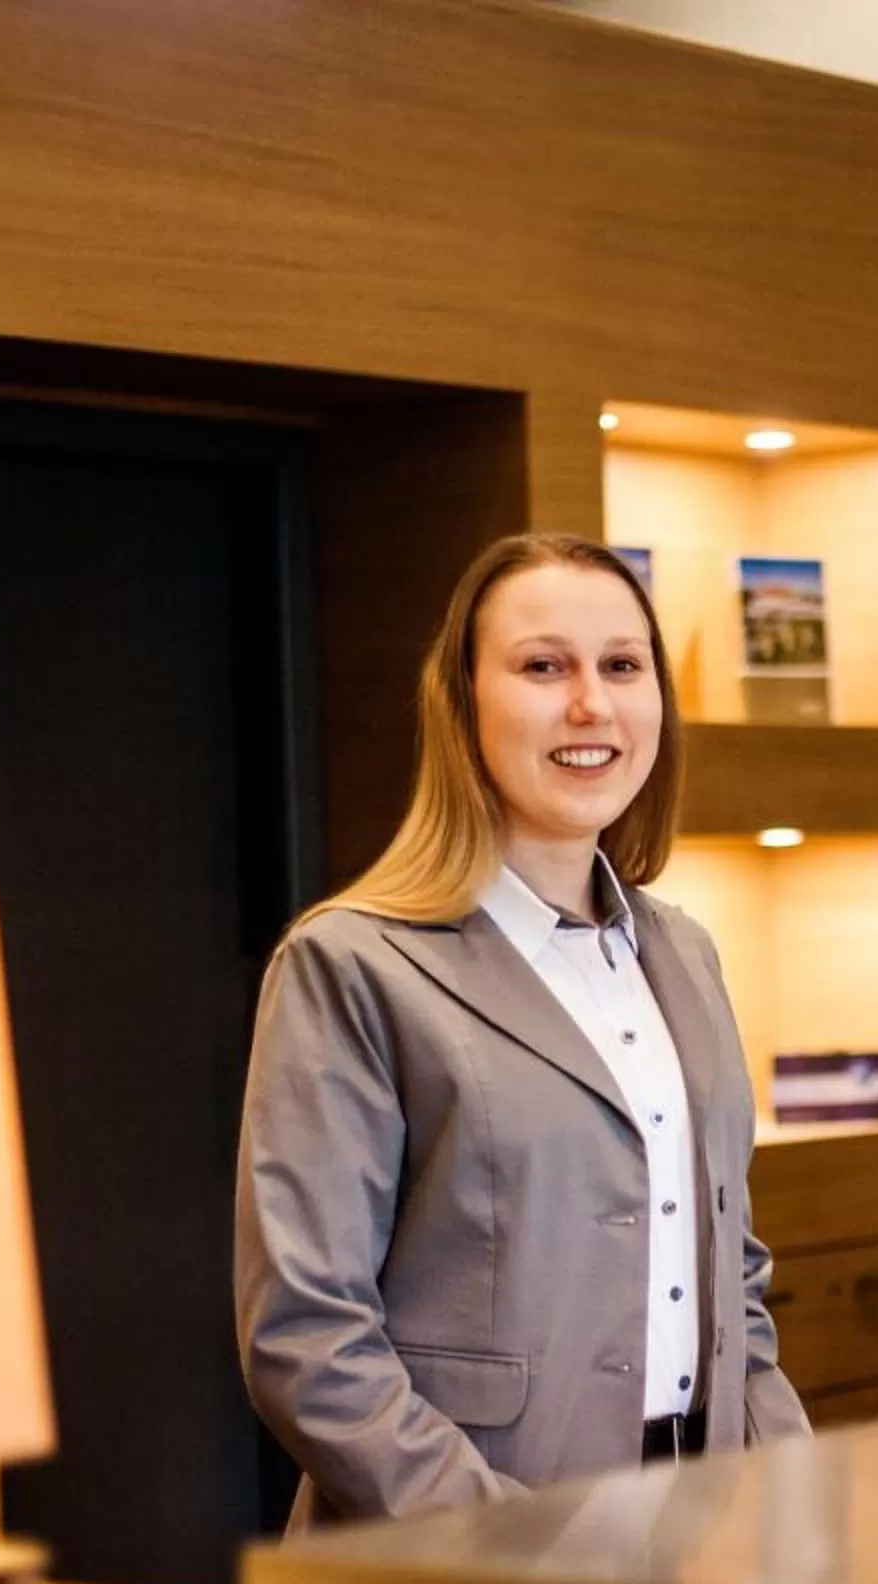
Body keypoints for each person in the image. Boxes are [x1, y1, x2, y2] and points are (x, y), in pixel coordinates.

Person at [236, 532, 810, 1526]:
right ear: (461, 705)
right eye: (545, 666)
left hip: (700, 1531)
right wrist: (510, 1539)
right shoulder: (353, 965)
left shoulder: (686, 954)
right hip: (459, 1559)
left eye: (622, 666)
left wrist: (791, 1501)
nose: (591, 703)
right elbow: (307, 1338)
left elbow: (736, 1285)